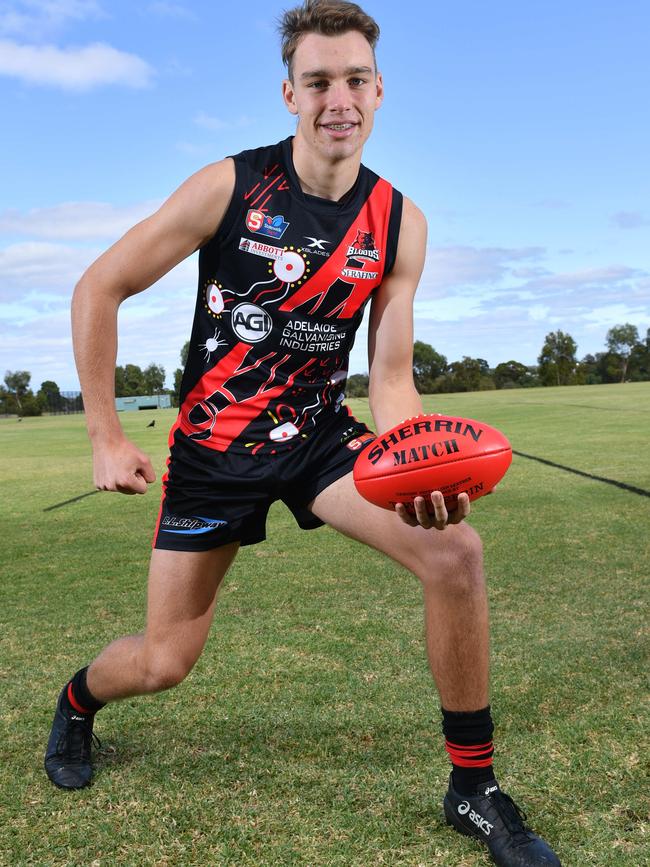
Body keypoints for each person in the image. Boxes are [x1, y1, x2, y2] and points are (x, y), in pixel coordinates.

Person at [44, 2, 561, 864]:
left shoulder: (399, 222)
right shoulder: (231, 186)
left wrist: (417, 461)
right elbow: (99, 285)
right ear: (291, 93)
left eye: (354, 79)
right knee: (166, 659)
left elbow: (390, 374)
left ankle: (472, 786)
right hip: (216, 448)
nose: (338, 98)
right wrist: (104, 434)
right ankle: (77, 702)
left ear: (379, 90)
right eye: (319, 81)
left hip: (320, 437)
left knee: (456, 553)